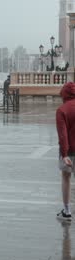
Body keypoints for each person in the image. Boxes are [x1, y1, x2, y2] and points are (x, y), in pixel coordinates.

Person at [56, 82, 75, 220]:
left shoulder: (62, 110)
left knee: (66, 177)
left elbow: (63, 135)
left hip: (69, 151)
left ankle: (67, 211)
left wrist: (64, 154)